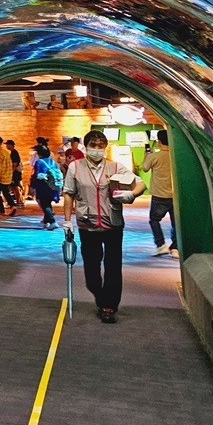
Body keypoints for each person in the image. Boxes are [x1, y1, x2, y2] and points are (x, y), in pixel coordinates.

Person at [62, 130, 145, 323]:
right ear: (86, 146)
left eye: (100, 146)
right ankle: (100, 296)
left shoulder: (116, 167)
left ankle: (109, 306)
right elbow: (68, 193)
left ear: (105, 147)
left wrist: (132, 195)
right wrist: (67, 220)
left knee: (113, 267)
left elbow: (139, 183)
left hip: (112, 225)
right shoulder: (75, 167)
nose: (97, 150)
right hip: (87, 225)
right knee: (91, 269)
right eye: (93, 146)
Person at [141, 129, 177, 258]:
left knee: (154, 220)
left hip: (159, 195)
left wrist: (146, 155)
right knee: (176, 223)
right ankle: (176, 248)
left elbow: (144, 168)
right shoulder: (175, 155)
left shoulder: (154, 156)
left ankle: (161, 245)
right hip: (175, 196)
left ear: (159, 142)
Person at [29, 146, 57, 228]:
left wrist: (32, 186)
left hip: (43, 186)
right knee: (48, 202)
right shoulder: (52, 162)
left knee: (44, 204)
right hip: (52, 185)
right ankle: (47, 221)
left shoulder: (39, 162)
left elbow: (36, 175)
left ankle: (52, 221)